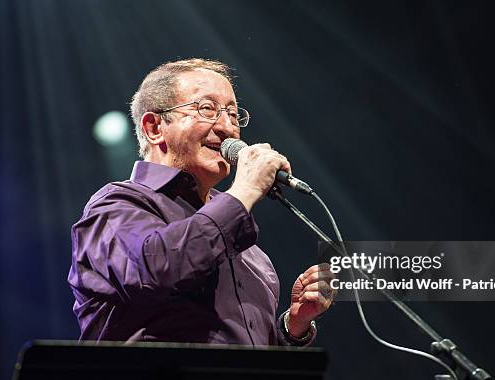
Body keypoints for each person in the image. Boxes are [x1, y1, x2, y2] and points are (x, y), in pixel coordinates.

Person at [68, 58, 335, 346]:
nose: (227, 128)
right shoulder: (114, 207)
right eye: (207, 109)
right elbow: (154, 272)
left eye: (233, 115)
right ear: (154, 127)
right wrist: (245, 189)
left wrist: (292, 327)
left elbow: (255, 367)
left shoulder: (253, 256)